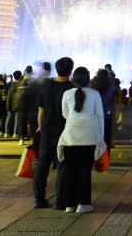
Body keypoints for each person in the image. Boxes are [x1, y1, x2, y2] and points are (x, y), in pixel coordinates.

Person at [57, 66, 105, 213]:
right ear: (88, 79)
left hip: (71, 136)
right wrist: (100, 137)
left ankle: (69, 205)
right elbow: (100, 116)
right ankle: (83, 204)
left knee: (70, 171)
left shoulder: (67, 93)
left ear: (74, 79)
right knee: (85, 171)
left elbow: (66, 115)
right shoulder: (95, 94)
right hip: (89, 137)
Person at [33, 56, 74, 209]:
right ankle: (60, 201)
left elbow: (41, 109)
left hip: (47, 130)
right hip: (65, 131)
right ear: (71, 70)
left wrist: (40, 128)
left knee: (42, 165)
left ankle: (39, 199)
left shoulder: (46, 84)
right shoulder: (72, 87)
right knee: (62, 165)